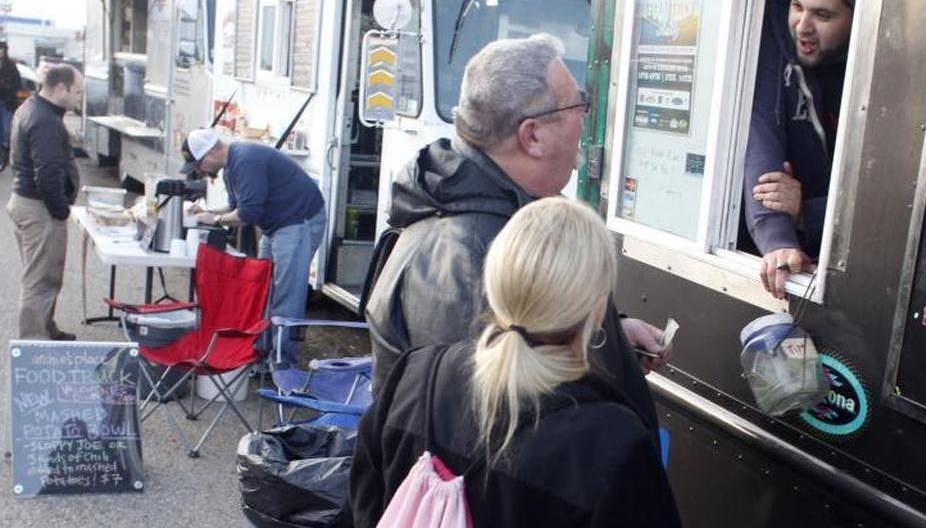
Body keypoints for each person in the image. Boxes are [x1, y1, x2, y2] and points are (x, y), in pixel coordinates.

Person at [363, 33, 670, 424]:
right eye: (578, 105)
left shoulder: (499, 224)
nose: (584, 119)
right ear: (533, 135)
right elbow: (496, 430)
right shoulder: (475, 256)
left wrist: (608, 332)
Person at [350, 198, 683, 528]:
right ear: (598, 309)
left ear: (495, 283)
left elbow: (366, 507)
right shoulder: (614, 444)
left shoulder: (414, 376)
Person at [743, 0, 860, 298]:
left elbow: (884, 195)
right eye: (797, 7)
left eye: (823, 16)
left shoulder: (878, 69)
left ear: (858, 17)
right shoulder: (776, 47)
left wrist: (809, 212)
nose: (802, 27)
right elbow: (762, 141)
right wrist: (778, 238)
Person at [181, 128, 325, 365]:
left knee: (286, 295)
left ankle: (283, 364)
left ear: (211, 153)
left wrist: (213, 220)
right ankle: (261, 355)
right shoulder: (230, 168)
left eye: (198, 165)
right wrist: (208, 213)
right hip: (275, 224)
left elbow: (248, 214)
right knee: (262, 289)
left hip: (299, 221)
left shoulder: (246, 160)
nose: (198, 172)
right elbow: (236, 207)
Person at [7, 64, 83, 340]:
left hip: (27, 202)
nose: (79, 99)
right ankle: (33, 342)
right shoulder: (45, 120)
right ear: (60, 88)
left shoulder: (32, 108)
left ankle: (45, 329)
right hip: (39, 207)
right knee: (40, 279)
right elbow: (48, 171)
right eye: (77, 92)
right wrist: (61, 210)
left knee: (46, 273)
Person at [0, 41, 23, 169]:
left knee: (5, 130)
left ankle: (6, 154)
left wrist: (5, 84)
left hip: (6, 101)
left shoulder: (10, 66)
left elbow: (17, 83)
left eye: (1, 49)